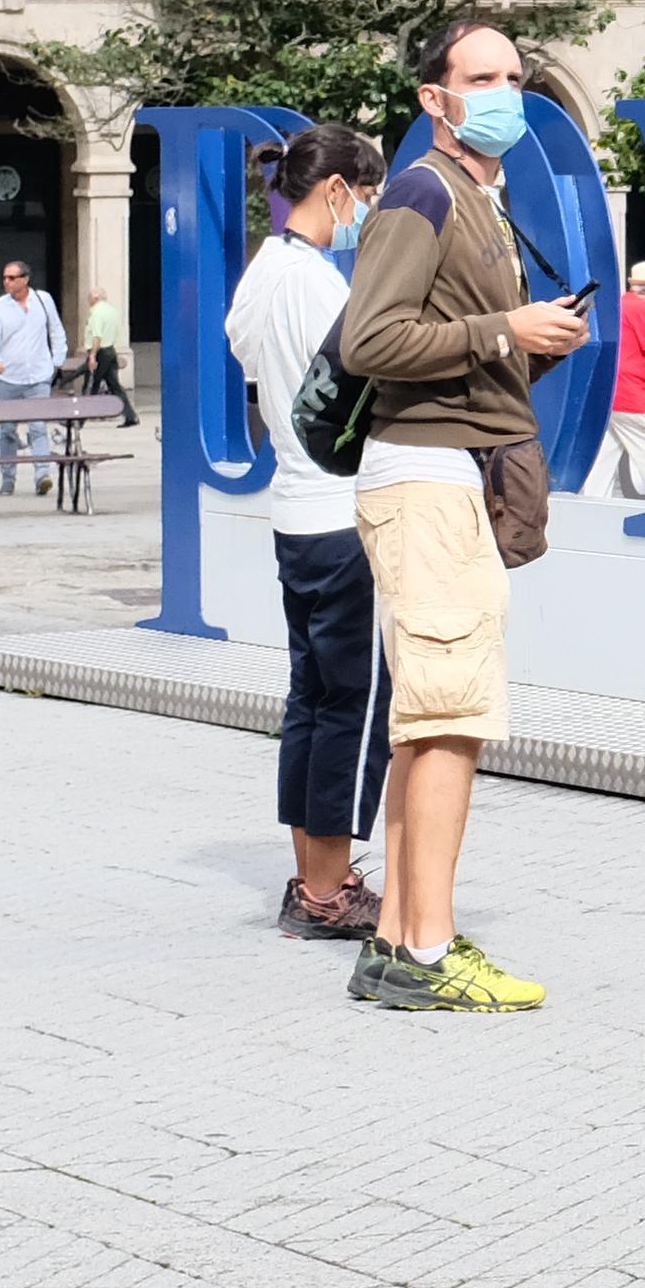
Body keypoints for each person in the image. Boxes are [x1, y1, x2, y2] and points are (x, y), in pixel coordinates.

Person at [334, 21, 584, 1011]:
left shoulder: (481, 198)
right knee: (448, 718)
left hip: (448, 476)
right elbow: (371, 337)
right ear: (435, 99)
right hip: (424, 480)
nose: (506, 91)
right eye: (483, 77)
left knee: (430, 722)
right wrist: (504, 327)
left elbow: (463, 349)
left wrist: (535, 340)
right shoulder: (423, 192)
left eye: (516, 75)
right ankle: (428, 953)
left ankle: (400, 937)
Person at [232, 127, 393, 942]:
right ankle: (329, 891)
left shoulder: (262, 275)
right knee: (353, 709)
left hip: (293, 510)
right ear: (337, 191)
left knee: (310, 700)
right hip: (341, 511)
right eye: (368, 195)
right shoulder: (319, 285)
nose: (370, 211)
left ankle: (311, 875)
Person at [0, 257, 65, 494]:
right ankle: (8, 478)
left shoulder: (43, 299)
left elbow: (55, 329)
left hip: (38, 375)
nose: (7, 282)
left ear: (25, 279)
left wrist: (56, 360)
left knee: (38, 426)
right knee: (7, 430)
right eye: (5, 278)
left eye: (12, 278)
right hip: (10, 378)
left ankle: (42, 475)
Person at [585, 259, 645, 500]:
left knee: (602, 461)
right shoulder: (642, 310)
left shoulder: (618, 305)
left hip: (609, 396)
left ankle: (591, 512)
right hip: (635, 397)